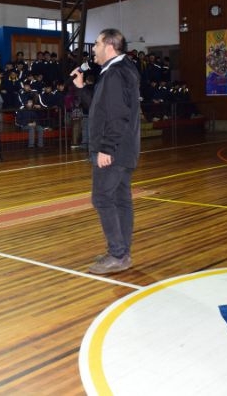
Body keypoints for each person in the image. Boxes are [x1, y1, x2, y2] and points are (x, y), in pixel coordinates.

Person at [70, 28, 140, 275]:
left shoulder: (115, 74)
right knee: (121, 200)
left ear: (110, 46)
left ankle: (118, 254)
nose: (94, 49)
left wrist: (106, 148)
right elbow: (101, 110)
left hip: (115, 150)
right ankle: (122, 251)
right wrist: (81, 88)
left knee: (102, 198)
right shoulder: (121, 70)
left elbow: (118, 116)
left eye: (97, 44)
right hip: (125, 149)